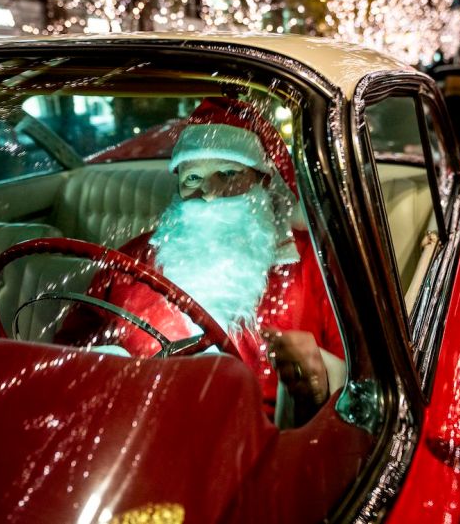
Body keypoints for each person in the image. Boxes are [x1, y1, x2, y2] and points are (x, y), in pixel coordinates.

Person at [57, 97, 345, 426]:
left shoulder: (311, 262)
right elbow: (73, 349)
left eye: (227, 173)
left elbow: (361, 377)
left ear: (262, 179)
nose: (209, 192)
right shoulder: (132, 261)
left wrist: (321, 373)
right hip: (141, 434)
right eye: (193, 178)